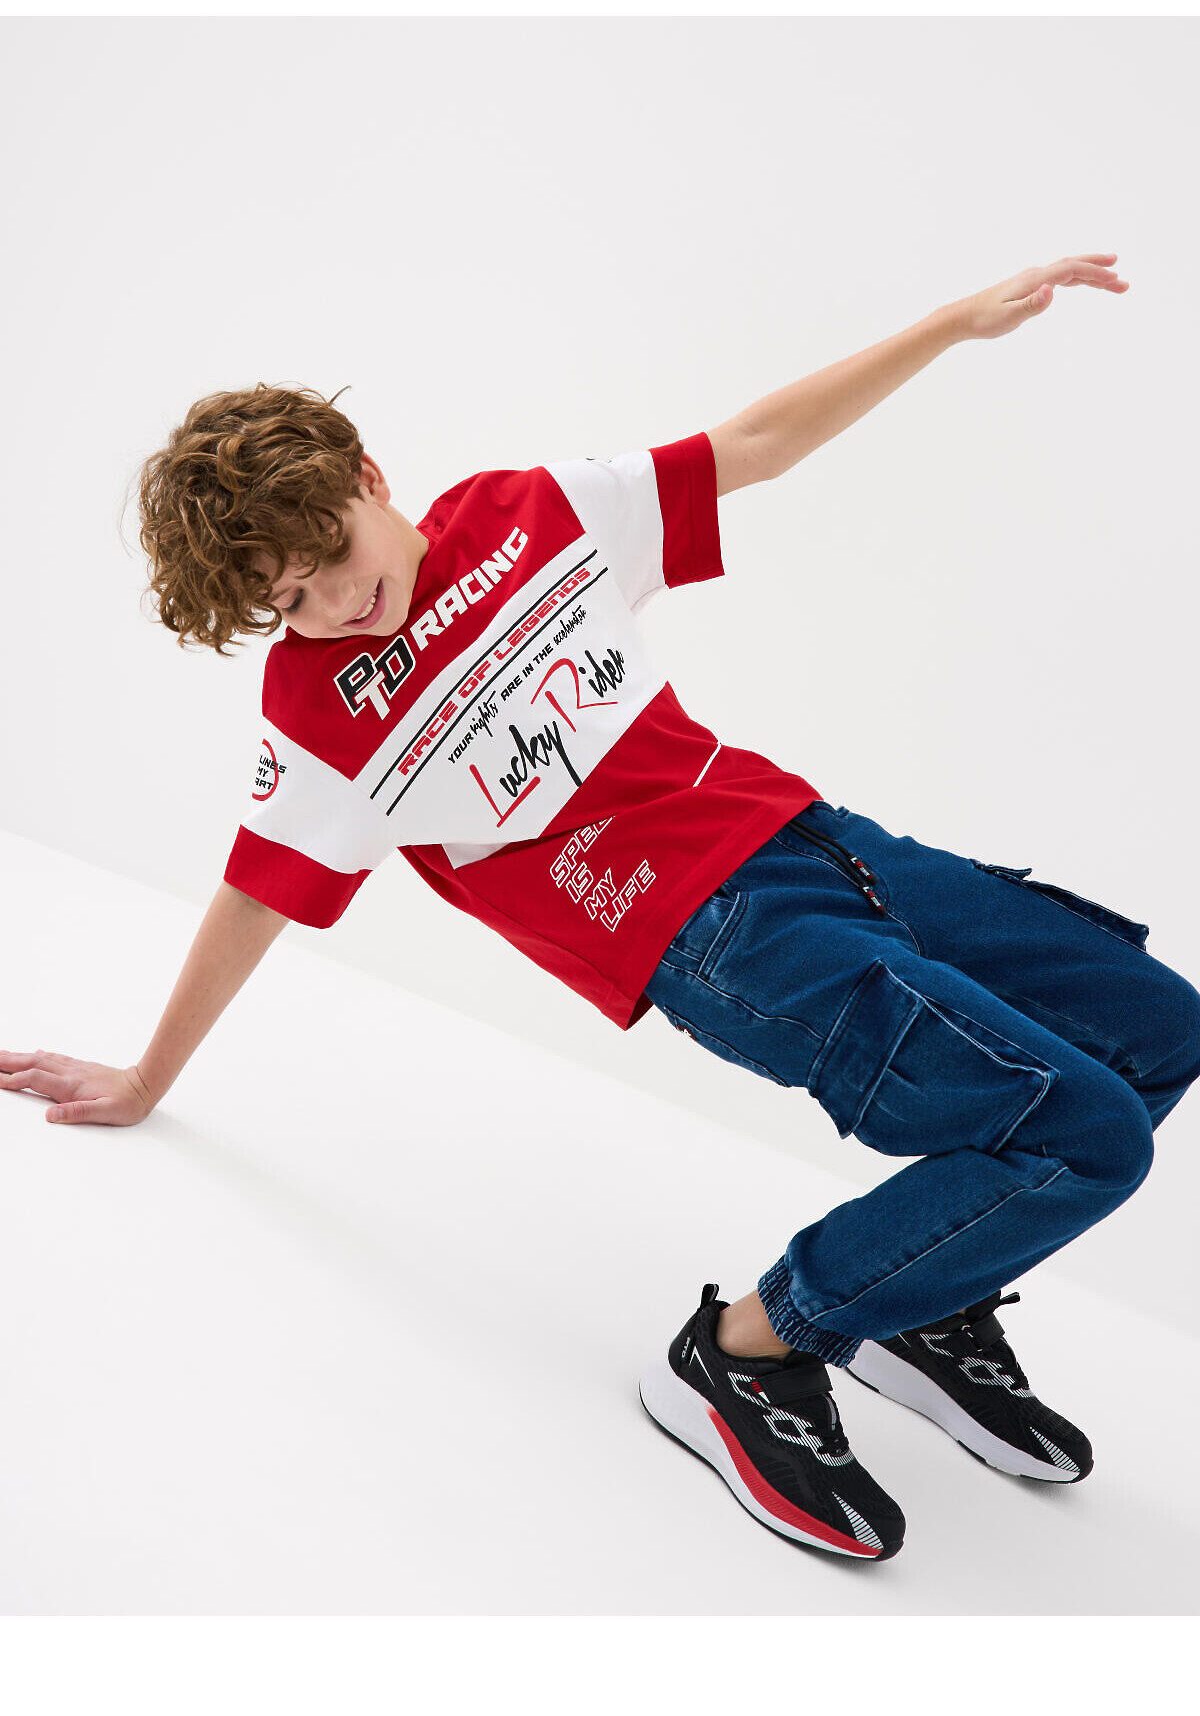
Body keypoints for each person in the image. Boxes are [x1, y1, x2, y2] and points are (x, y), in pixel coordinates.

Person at [4, 253, 1194, 1566]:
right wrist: (145, 1077)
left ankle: (924, 1291)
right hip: (716, 937)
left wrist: (950, 325)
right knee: (1089, 1137)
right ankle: (747, 1351)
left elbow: (751, 445)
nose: (333, 604)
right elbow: (255, 892)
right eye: (288, 599)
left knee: (1158, 1029)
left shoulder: (529, 513)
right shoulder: (316, 712)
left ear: (370, 479)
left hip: (818, 836)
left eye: (328, 554)